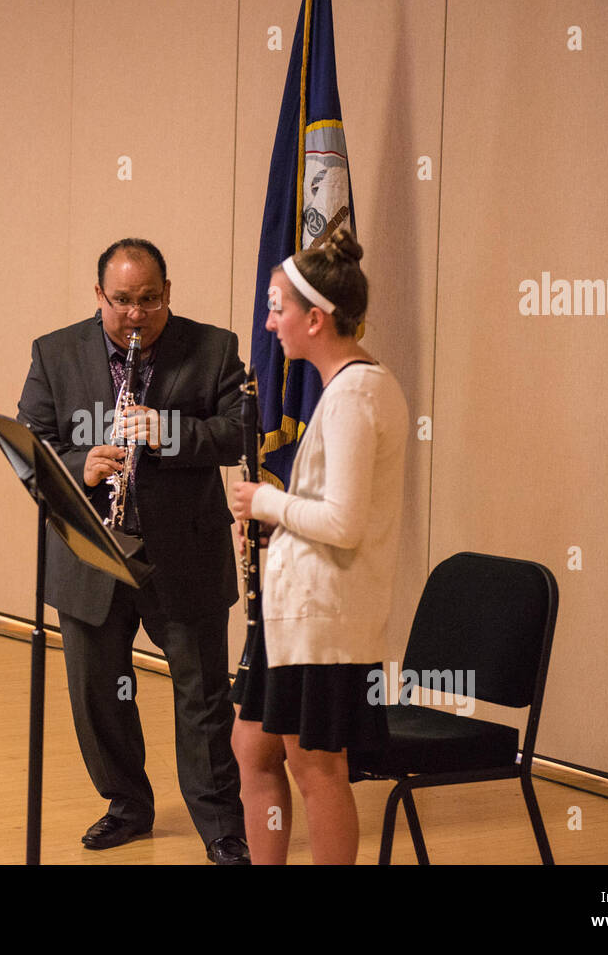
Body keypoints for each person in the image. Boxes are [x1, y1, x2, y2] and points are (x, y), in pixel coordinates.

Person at [18, 238, 250, 864]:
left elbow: (239, 433)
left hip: (184, 556)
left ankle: (222, 827)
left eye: (149, 300)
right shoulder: (54, 353)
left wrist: (169, 431)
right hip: (92, 553)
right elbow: (30, 449)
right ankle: (128, 806)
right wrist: (79, 465)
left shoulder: (214, 348)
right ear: (99, 296)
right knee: (99, 693)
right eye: (121, 301)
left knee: (201, 700)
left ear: (168, 293)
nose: (135, 315)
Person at [229, 228, 408, 864]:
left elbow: (345, 522)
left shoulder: (357, 393)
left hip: (325, 622)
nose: (271, 321)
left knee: (317, 769)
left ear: (316, 317)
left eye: (280, 307)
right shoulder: (342, 390)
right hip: (294, 616)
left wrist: (265, 503)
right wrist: (275, 525)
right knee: (252, 749)